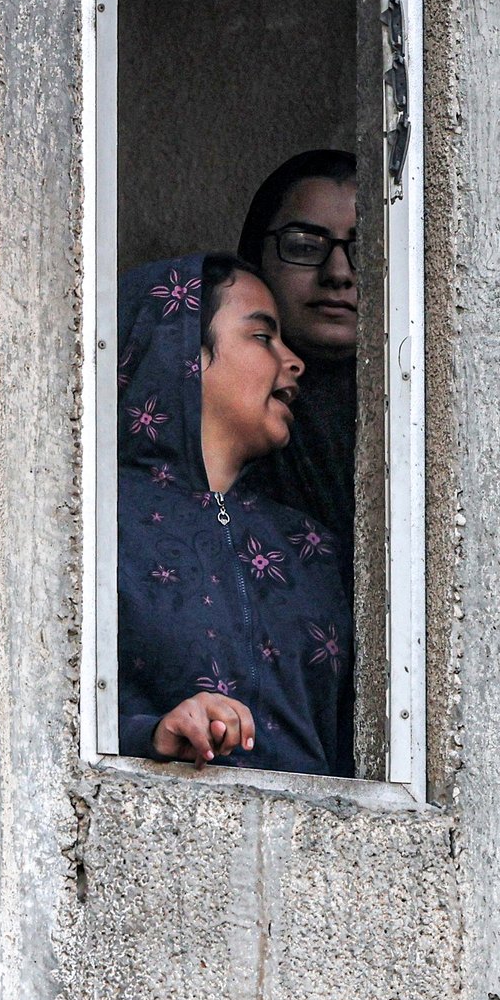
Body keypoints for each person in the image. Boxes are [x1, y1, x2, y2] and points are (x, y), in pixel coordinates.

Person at [115, 252, 354, 777]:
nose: (294, 361)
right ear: (182, 352)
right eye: (262, 336)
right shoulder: (97, 523)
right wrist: (149, 735)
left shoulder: (309, 546)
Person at [237, 150, 359, 551]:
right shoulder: (214, 407)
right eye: (305, 246)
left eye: (366, 248)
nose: (338, 274)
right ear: (255, 260)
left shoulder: (417, 406)